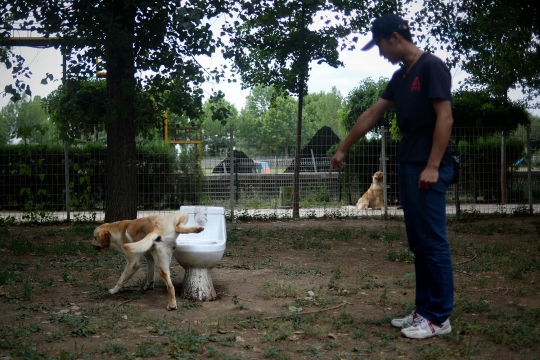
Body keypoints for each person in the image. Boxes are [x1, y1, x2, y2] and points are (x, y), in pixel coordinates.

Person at [329, 14, 454, 339]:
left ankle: (439, 317)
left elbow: (445, 118)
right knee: (419, 243)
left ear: (395, 37)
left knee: (433, 242)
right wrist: (343, 149)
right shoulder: (400, 77)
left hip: (428, 168)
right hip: (409, 165)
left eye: (381, 45)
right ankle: (424, 310)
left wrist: (433, 165)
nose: (381, 52)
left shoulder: (432, 67)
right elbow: (371, 114)